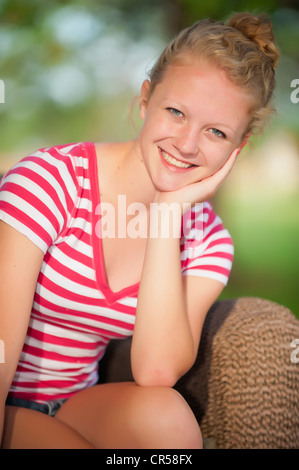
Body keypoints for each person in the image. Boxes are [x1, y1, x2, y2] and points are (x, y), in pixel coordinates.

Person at [0, 11, 279, 449]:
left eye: (216, 132)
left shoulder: (207, 239)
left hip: (76, 405)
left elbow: (155, 372)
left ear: (238, 147)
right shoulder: (49, 182)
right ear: (146, 99)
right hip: (5, 401)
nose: (187, 145)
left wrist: (168, 215)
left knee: (165, 419)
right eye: (175, 112)